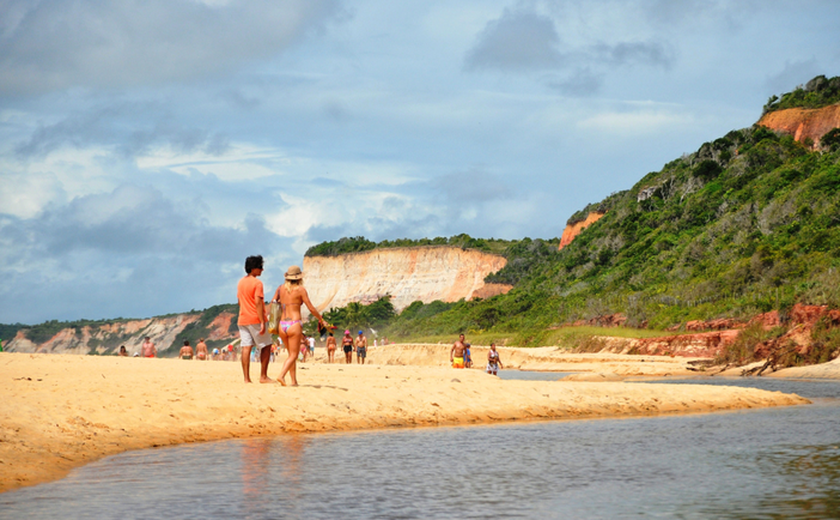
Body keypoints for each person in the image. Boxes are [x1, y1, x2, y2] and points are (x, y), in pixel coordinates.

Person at [271, 265, 328, 386]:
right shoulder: (301, 290)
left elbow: (273, 303)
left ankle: (294, 381)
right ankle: (281, 375)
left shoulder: (280, 289)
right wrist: (321, 319)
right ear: (299, 278)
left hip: (282, 324)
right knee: (294, 355)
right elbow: (311, 308)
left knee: (291, 355)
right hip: (294, 323)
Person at [237, 255, 274, 383]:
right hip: (255, 318)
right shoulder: (257, 283)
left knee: (246, 347)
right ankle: (263, 376)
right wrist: (262, 321)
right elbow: (258, 302)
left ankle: (246, 378)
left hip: (243, 318)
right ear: (253, 268)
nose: (262, 270)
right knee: (266, 345)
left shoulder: (241, 282)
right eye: (260, 267)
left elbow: (239, 302)